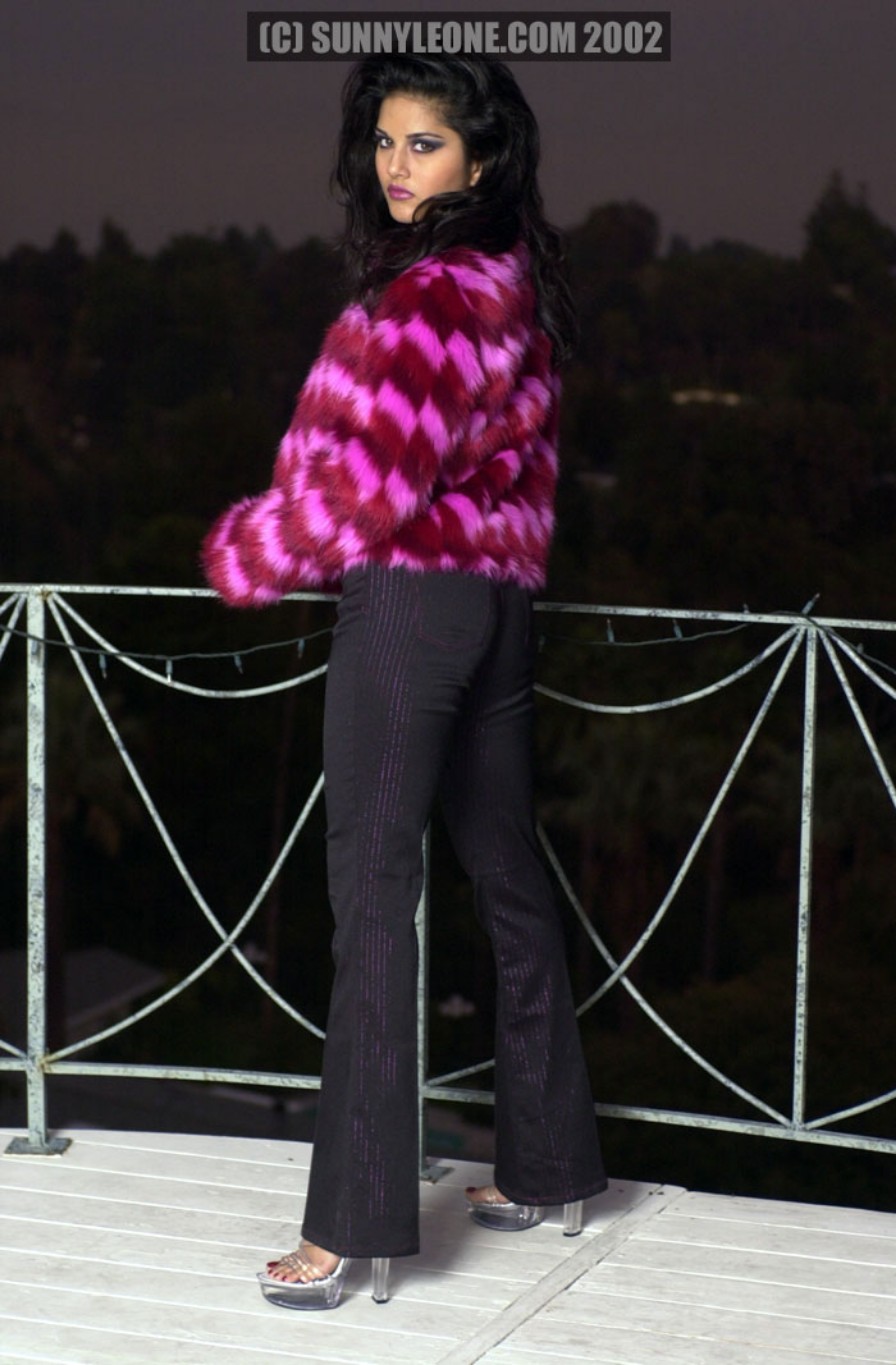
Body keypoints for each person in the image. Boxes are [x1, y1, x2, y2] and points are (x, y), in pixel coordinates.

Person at [202, 54, 607, 1311]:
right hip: (497, 605)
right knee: (504, 872)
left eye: (422, 144)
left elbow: (373, 486)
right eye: (383, 142)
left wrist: (250, 552)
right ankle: (548, 1168)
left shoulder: (430, 293)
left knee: (373, 895)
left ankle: (352, 1226)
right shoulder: (508, 283)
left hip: (414, 603)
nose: (393, 165)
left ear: (479, 158)